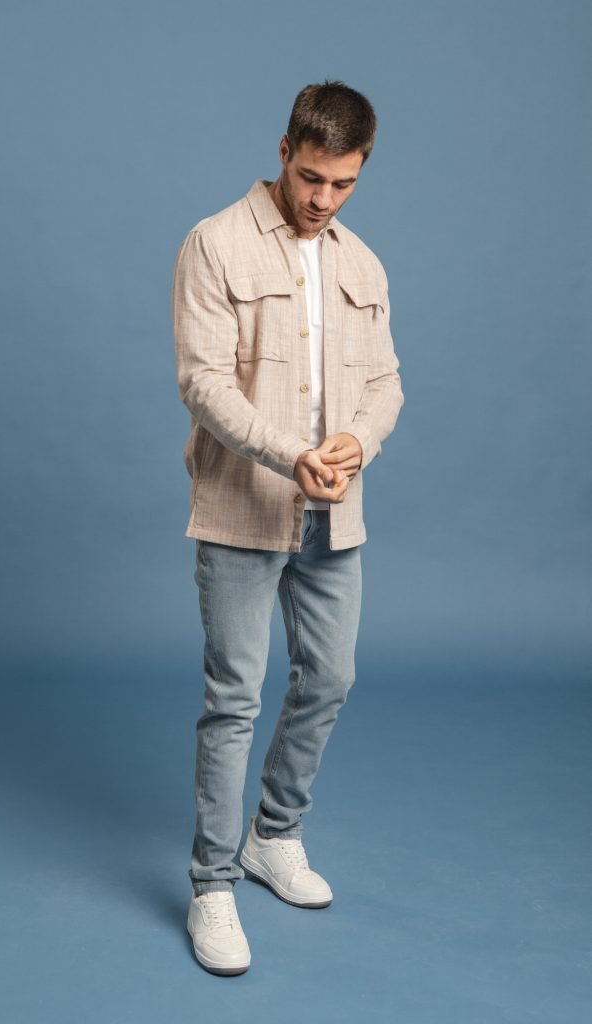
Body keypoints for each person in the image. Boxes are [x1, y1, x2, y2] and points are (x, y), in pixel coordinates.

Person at [171, 81, 404, 975]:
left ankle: (274, 834)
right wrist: (289, 453)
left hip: (333, 513)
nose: (323, 199)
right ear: (283, 151)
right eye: (312, 178)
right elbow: (203, 381)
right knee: (234, 698)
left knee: (331, 676)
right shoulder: (215, 242)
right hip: (242, 507)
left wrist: (357, 441)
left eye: (343, 184)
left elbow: (385, 382)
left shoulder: (362, 264)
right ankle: (212, 884)